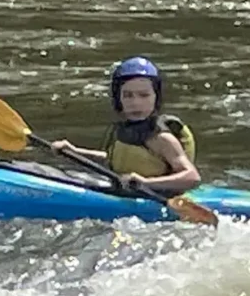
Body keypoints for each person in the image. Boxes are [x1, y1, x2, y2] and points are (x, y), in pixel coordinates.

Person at [53, 57, 202, 197]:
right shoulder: (121, 131)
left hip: (152, 197)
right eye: (128, 95)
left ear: (156, 97)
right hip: (125, 191)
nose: (135, 103)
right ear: (118, 99)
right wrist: (74, 151)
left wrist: (145, 183)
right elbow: (112, 159)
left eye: (144, 95)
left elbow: (192, 177)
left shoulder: (162, 138)